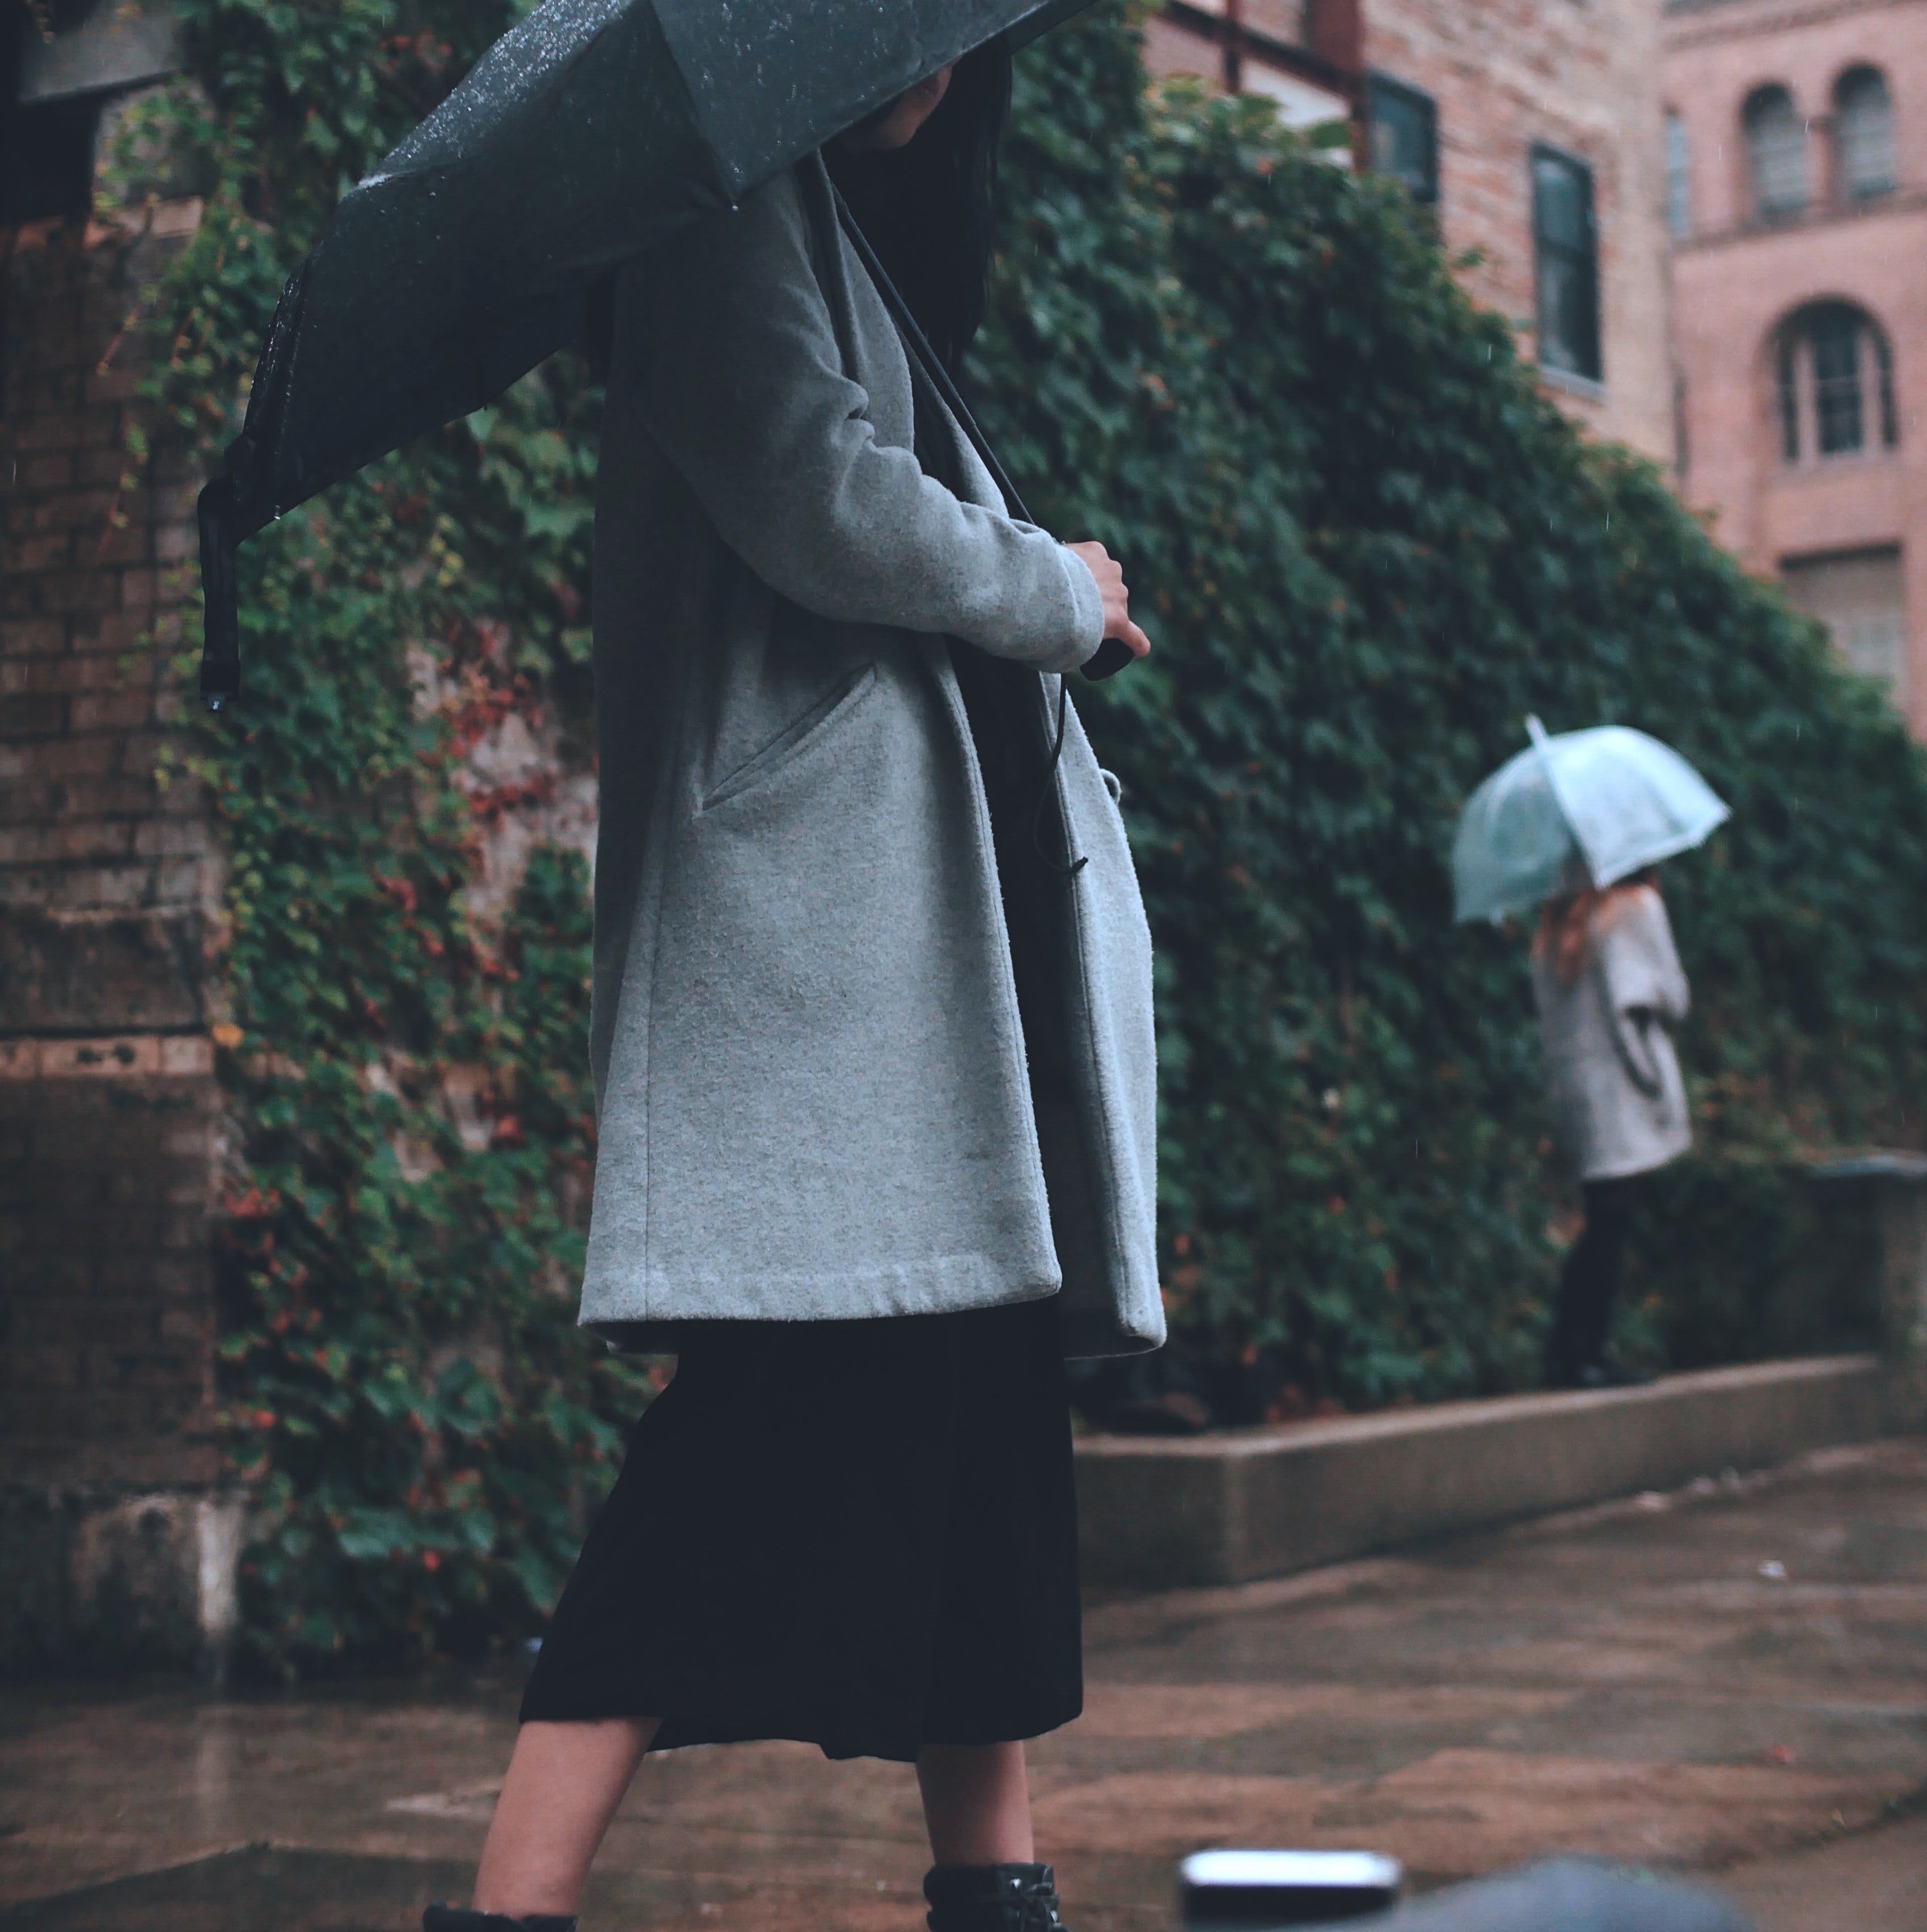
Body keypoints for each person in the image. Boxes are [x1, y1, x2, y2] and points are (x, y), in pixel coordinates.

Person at [424, 39, 1163, 1932]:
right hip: (829, 952)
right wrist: (1053, 587)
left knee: (984, 1433)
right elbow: (819, 495)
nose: (936, 67)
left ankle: (992, 1886)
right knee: (755, 1422)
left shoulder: (845, 224)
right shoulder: (708, 224)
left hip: (932, 958)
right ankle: (506, 1909)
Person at [1531, 867, 1691, 1390]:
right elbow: (1658, 1000)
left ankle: (1568, 1354)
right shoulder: (1634, 908)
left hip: (1577, 1092)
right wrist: (1652, 1083)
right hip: (1623, 1090)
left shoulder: (1554, 924)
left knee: (1602, 1220)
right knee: (1611, 1224)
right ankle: (1587, 1357)